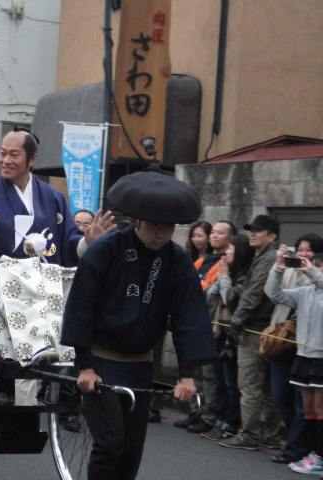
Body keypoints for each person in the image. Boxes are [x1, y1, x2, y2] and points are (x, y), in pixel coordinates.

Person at [61, 170, 214, 480]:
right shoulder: (106, 249)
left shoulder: (177, 260)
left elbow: (189, 314)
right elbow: (81, 305)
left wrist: (187, 373)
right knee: (110, 443)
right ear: (138, 221)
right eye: (154, 225)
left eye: (167, 227)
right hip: (100, 361)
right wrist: (84, 365)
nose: (160, 233)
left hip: (141, 364)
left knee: (131, 450)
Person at [0, 129, 112, 296]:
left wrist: (87, 242)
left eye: (14, 155)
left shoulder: (53, 198)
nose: (6, 160)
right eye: (3, 153)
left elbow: (67, 243)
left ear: (31, 159)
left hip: (45, 290)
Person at [219, 215, 282, 451]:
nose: (253, 234)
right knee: (262, 385)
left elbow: (254, 294)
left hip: (256, 327)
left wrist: (236, 321)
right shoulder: (263, 257)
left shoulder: (268, 258)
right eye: (251, 230)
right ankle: (267, 433)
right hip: (261, 327)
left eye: (259, 230)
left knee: (250, 383)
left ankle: (250, 434)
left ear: (272, 235)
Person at [264, 234, 323, 466]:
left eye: (317, 262)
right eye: (301, 251)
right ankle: (308, 451)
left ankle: (316, 454)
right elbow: (274, 294)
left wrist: (312, 271)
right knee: (306, 410)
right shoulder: (305, 291)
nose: (306, 260)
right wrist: (278, 268)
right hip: (302, 355)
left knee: (318, 410)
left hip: (320, 357)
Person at [186, 221, 238, 435]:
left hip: (213, 322)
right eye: (213, 232)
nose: (214, 236)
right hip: (194, 320)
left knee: (210, 374)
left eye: (220, 233)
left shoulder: (227, 262)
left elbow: (208, 291)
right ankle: (196, 411)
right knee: (194, 371)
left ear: (230, 238)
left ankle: (209, 415)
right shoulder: (203, 259)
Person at [200, 234, 254, 442]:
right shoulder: (228, 272)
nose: (226, 254)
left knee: (233, 383)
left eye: (230, 250)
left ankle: (232, 422)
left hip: (234, 333)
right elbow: (210, 294)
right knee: (220, 379)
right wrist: (222, 275)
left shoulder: (244, 276)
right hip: (219, 329)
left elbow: (229, 298)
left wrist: (223, 276)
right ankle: (220, 417)